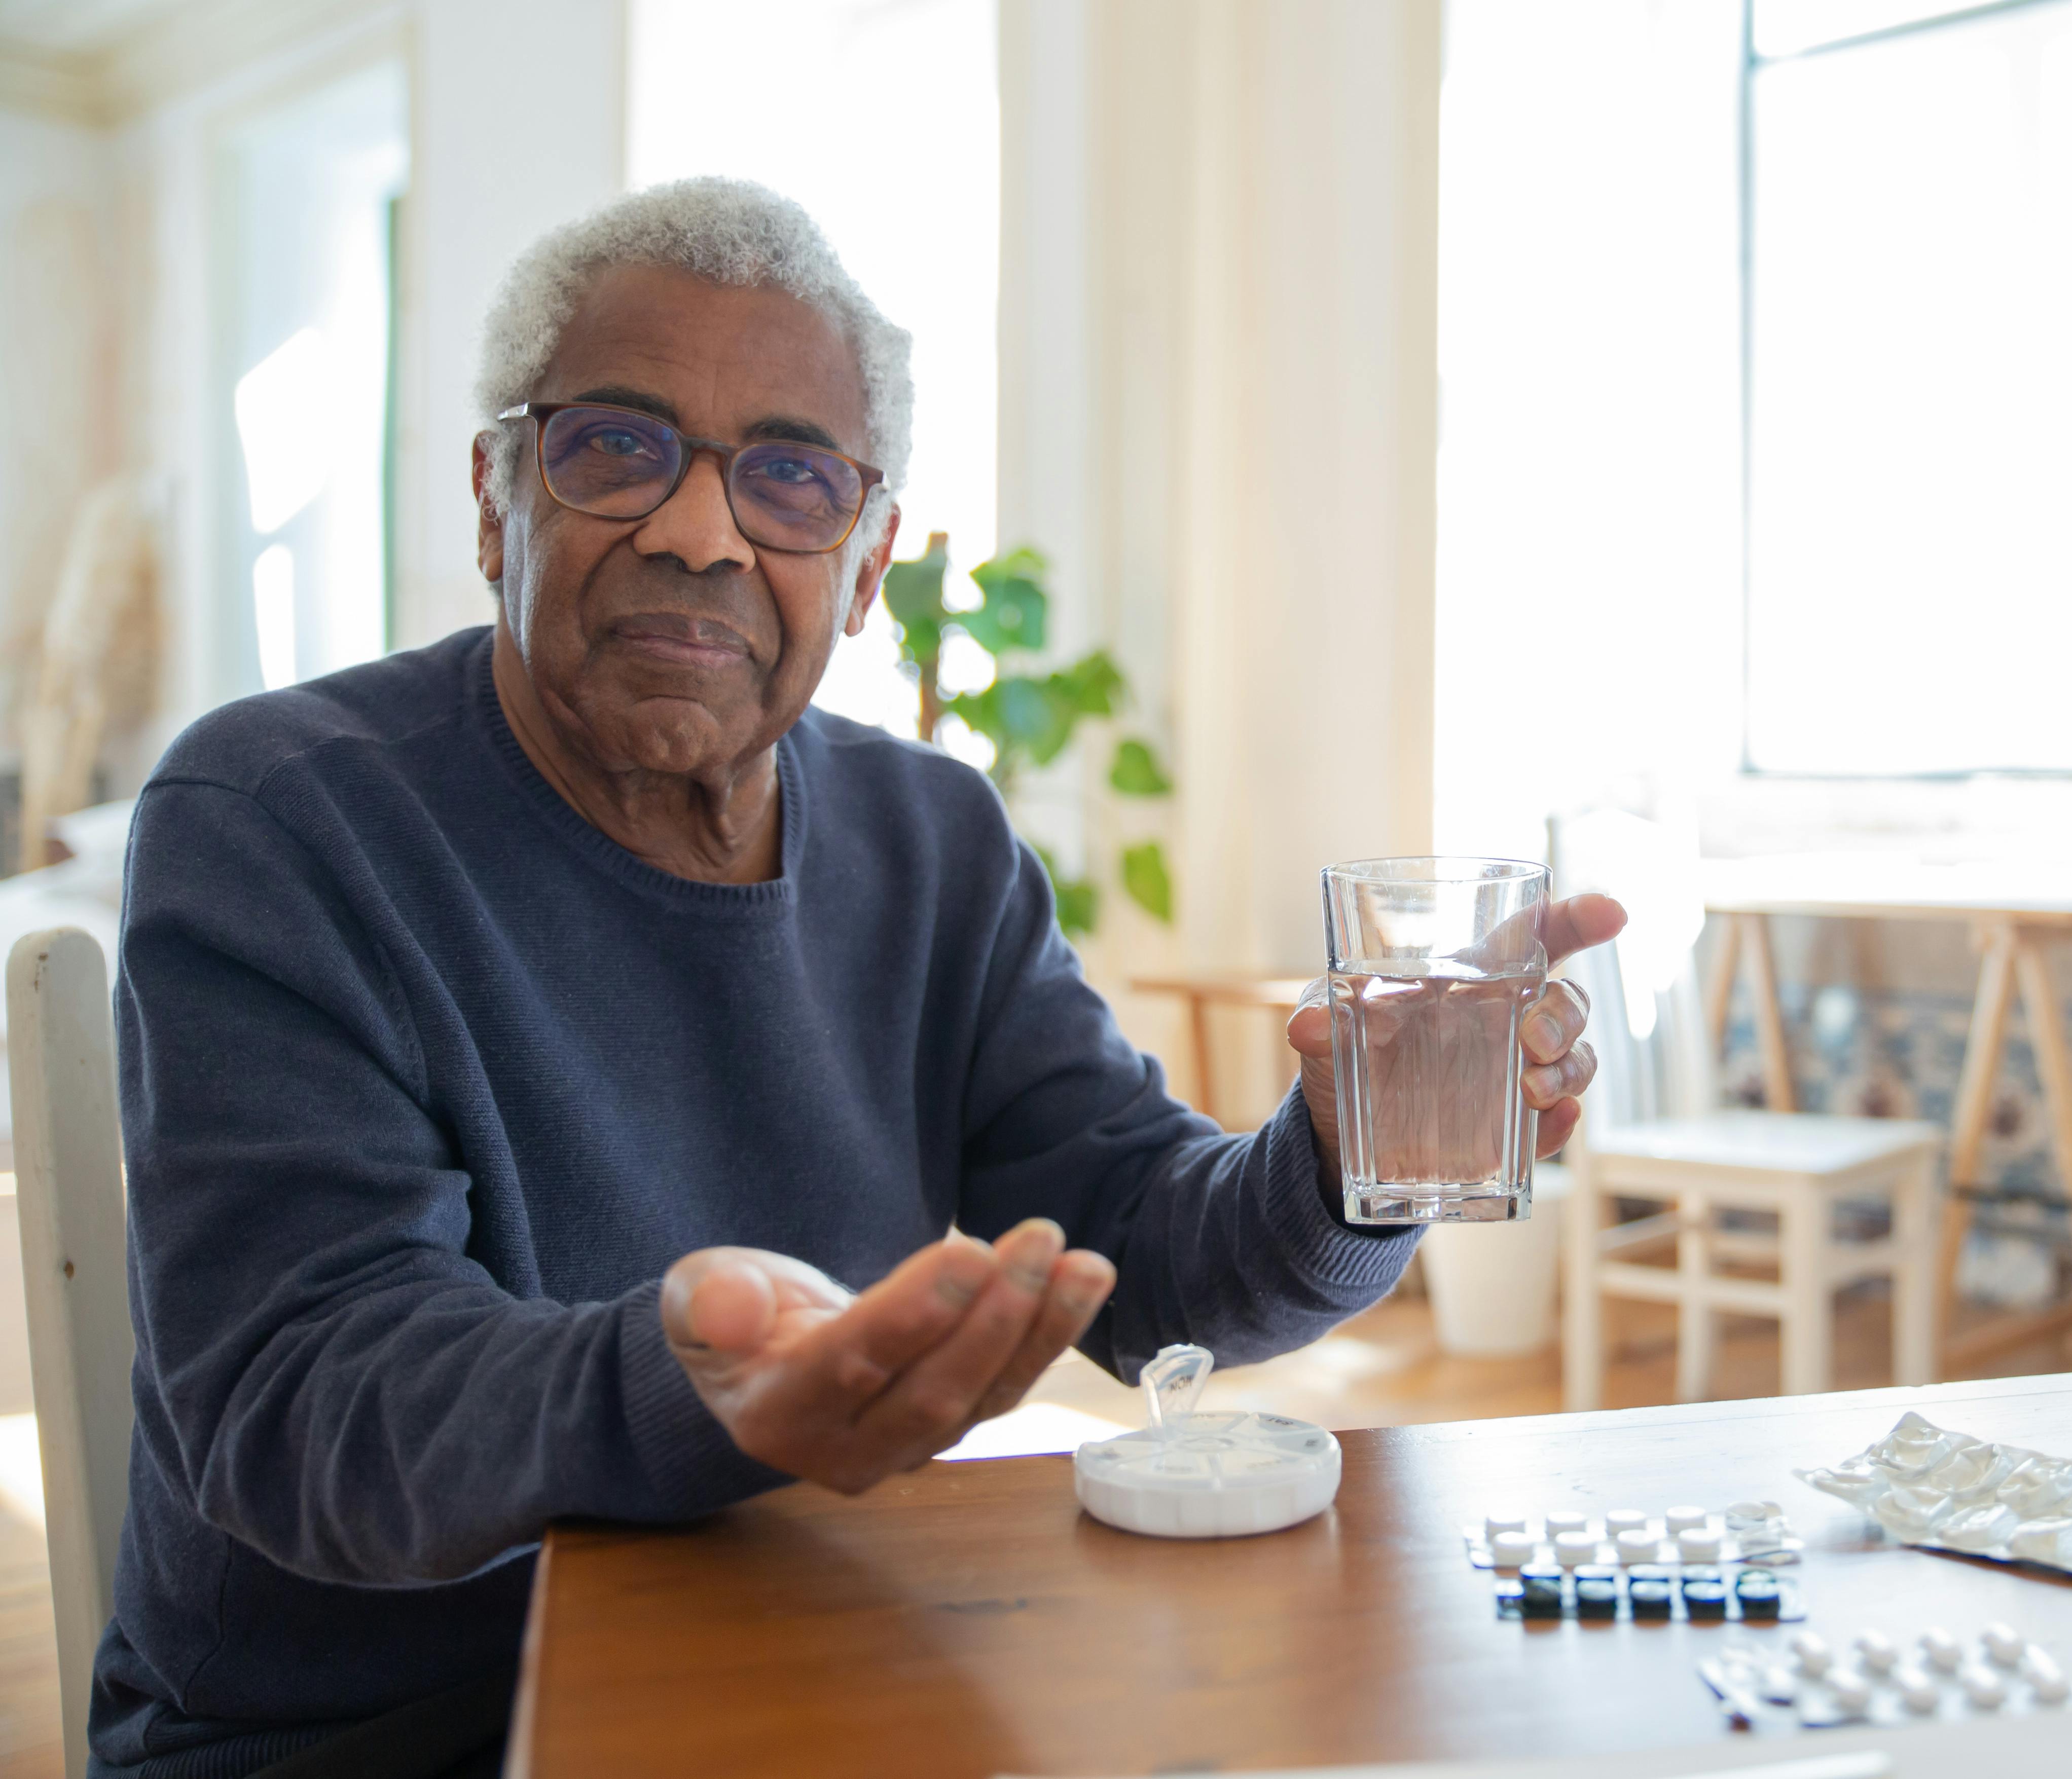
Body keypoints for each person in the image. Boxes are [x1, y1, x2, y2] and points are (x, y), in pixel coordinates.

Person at [95, 177, 1623, 1778]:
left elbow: (1157, 1264)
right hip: (374, 1733)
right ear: (496, 497)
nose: (700, 532)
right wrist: (693, 1388)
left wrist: (1347, 1158)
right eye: (615, 447)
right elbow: (302, 1405)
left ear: (870, 558)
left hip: (791, 1653)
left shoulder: (935, 842)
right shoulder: (280, 817)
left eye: (790, 480)